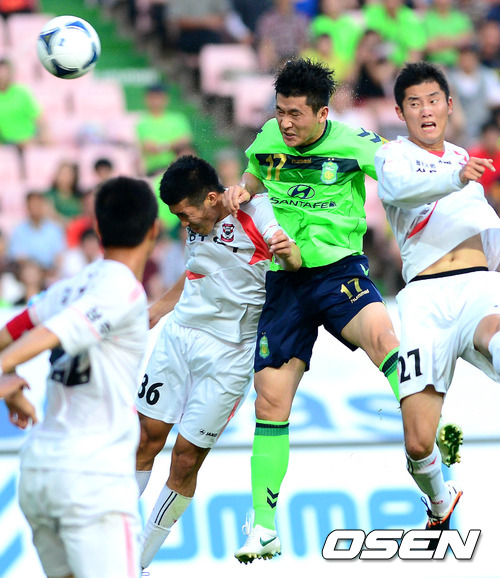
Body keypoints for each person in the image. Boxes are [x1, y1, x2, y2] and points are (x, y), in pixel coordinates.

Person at [224, 57, 462, 563]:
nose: (285, 123)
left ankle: (435, 441)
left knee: (385, 343)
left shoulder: (355, 143)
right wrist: (244, 189)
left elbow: (401, 177)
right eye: (280, 111)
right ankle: (263, 527)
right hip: (284, 282)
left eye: (295, 114)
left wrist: (448, 182)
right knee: (269, 404)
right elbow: (256, 173)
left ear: (322, 113)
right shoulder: (269, 137)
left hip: (338, 272)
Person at [134, 155, 301, 570]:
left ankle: (136, 562)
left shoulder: (257, 212)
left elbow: (293, 261)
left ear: (211, 199)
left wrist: (288, 254)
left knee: (185, 458)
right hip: (179, 338)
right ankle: (108, 542)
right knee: (144, 439)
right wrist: (158, 310)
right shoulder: (200, 221)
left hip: (230, 354)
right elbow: (198, 269)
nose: (184, 224)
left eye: (185, 215)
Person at [0, 175, 159, 578]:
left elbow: (9, 334)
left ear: (98, 229)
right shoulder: (124, 290)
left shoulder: (68, 288)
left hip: (40, 473)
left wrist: (8, 378)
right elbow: (52, 333)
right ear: (154, 230)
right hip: (93, 478)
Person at [374, 61, 500, 534]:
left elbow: (485, 229)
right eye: (414, 103)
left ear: (449, 105)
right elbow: (398, 190)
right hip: (425, 300)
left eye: (432, 101)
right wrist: (457, 177)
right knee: (418, 441)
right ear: (400, 112)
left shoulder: (463, 156)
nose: (425, 110)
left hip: (478, 287)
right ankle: (439, 501)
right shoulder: (393, 156)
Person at [136, 83, 194, 176]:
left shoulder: (178, 119)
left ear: (166, 99)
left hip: (179, 169)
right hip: (156, 170)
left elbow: (185, 141)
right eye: (153, 97)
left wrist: (161, 147)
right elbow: (149, 147)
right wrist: (172, 145)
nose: (156, 101)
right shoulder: (142, 122)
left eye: (159, 97)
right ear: (146, 99)